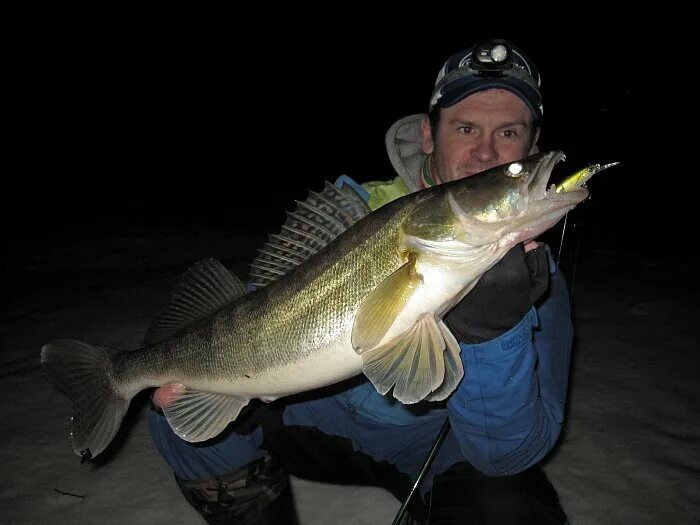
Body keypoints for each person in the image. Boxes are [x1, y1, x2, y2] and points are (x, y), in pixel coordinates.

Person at [148, 38, 572, 524]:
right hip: (309, 420)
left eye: (509, 134)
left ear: (532, 146)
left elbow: (509, 455)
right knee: (181, 415)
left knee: (513, 514)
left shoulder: (535, 285)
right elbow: (260, 310)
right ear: (428, 135)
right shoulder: (354, 222)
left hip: (428, 450)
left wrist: (497, 334)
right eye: (466, 127)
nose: (485, 153)